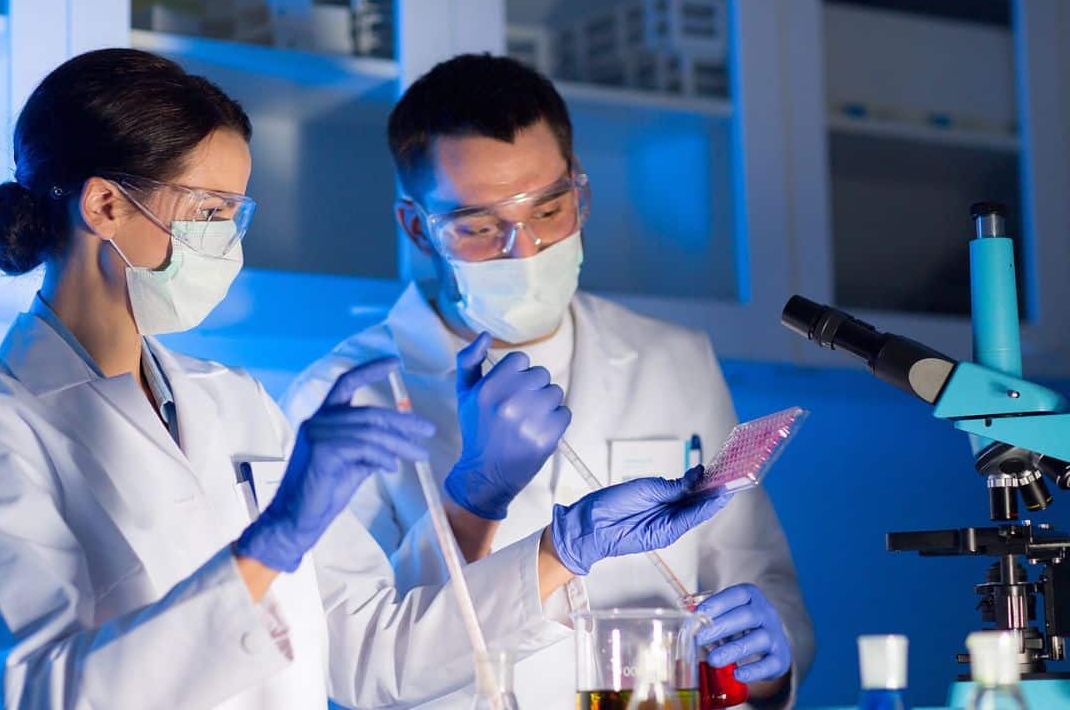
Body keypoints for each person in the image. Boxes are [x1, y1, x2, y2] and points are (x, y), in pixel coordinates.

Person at [0, 48, 732, 710]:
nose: (227, 244)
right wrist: (278, 537)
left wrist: (570, 546)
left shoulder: (232, 402)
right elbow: (45, 695)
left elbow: (377, 658)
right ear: (103, 207)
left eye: (236, 214)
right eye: (208, 213)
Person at [282, 53, 816, 708]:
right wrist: (472, 499)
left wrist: (766, 662)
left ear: (579, 188)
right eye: (478, 226)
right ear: (419, 228)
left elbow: (759, 579)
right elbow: (359, 670)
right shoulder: (337, 398)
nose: (525, 248)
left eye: (549, 209)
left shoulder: (673, 359)